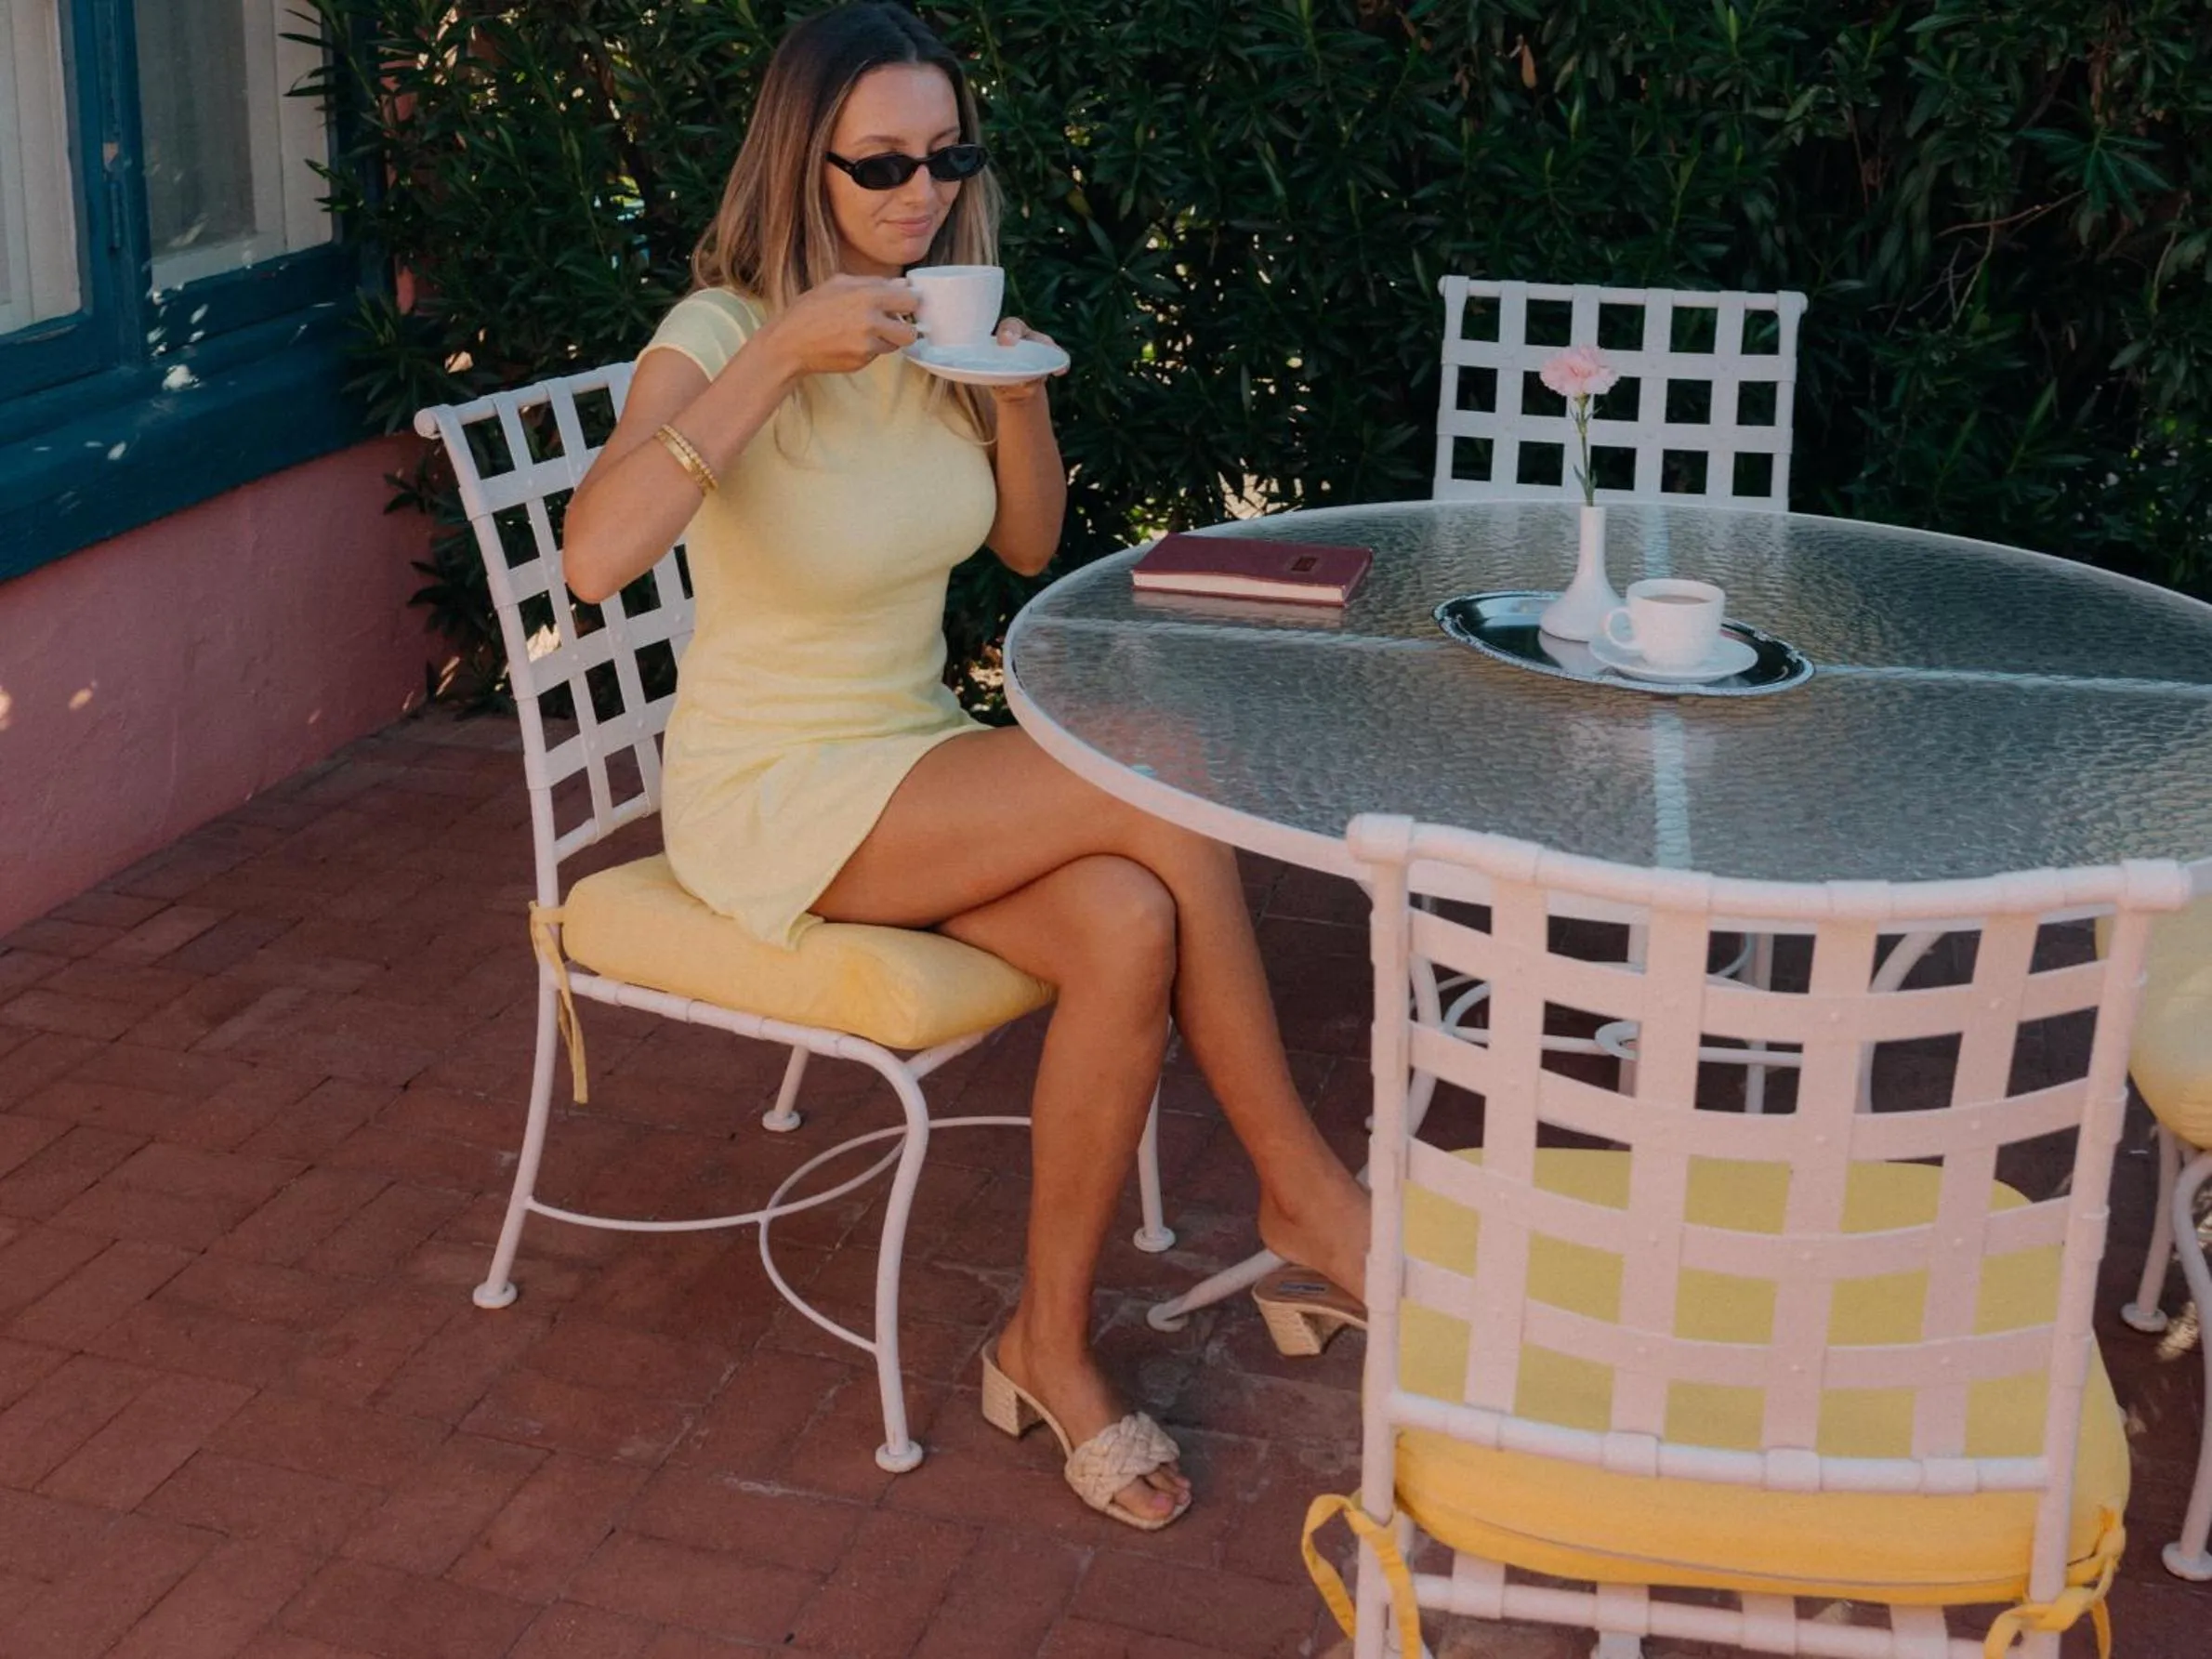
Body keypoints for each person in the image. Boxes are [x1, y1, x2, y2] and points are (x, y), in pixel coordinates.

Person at [562, 1, 1367, 1530]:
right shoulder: (718, 336)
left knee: (1130, 916)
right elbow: (597, 560)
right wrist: (782, 357)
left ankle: (1044, 1345)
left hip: (912, 759)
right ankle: (1306, 1195)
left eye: (947, 155)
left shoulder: (934, 319)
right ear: (804, 167)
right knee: (1162, 766)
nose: (920, 191)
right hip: (777, 790)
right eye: (880, 165)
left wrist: (1016, 393)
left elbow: (1026, 543)